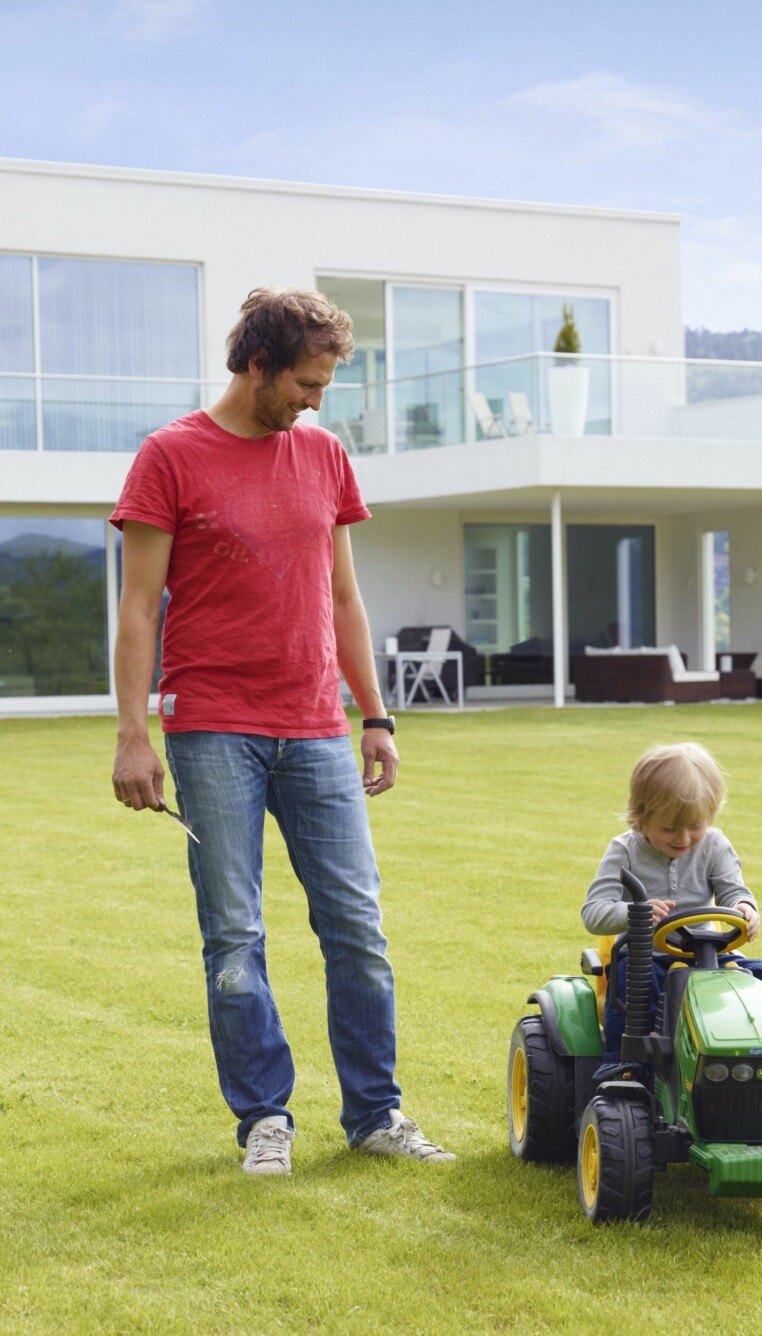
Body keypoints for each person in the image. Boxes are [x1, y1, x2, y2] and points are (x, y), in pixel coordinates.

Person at [110, 286, 453, 1173]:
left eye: (325, 384)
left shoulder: (325, 454)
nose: (315, 399)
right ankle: (265, 1118)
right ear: (255, 365)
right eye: (305, 381)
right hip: (211, 726)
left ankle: (376, 1114)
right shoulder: (169, 457)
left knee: (358, 927)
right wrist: (131, 734)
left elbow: (342, 595)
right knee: (235, 935)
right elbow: (139, 607)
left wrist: (373, 714)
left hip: (316, 726)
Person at [582, 741, 762, 1071]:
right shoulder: (623, 851)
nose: (682, 838)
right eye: (668, 828)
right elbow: (593, 912)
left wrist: (745, 907)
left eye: (695, 826)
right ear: (641, 816)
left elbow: (733, 891)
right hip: (648, 959)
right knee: (626, 978)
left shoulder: (715, 845)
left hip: (713, 956)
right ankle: (622, 1066)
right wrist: (634, 913)